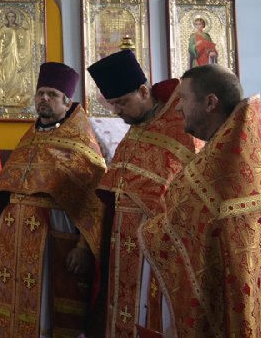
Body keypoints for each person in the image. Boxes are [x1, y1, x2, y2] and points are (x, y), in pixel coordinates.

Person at [140, 64, 261, 336]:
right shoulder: (244, 150)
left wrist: (147, 231)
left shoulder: (222, 167)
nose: (178, 108)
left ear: (210, 102)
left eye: (183, 99)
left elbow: (190, 222)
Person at [0, 62, 107, 338]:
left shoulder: (81, 143)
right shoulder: (29, 138)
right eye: (40, 93)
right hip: (13, 239)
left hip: (51, 238)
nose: (44, 98)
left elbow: (93, 200)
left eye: (52, 94)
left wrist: (83, 247)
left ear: (67, 102)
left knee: (43, 309)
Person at [87, 50, 203, 338]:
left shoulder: (181, 126)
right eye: (113, 104)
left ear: (142, 91)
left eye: (122, 102)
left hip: (159, 244)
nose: (117, 111)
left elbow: (189, 190)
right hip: (122, 241)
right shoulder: (134, 129)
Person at [0, 10, 32, 106]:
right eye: (9, 17)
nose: (11, 19)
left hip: (17, 56)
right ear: (6, 18)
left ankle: (16, 96)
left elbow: (25, 41)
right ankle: (6, 96)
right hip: (6, 55)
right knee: (7, 74)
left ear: (15, 18)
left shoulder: (20, 29)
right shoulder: (3, 28)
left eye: (13, 17)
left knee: (17, 75)